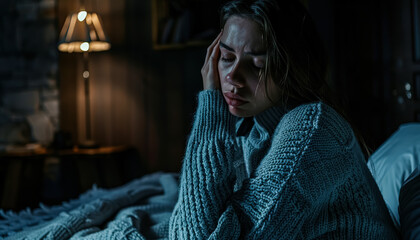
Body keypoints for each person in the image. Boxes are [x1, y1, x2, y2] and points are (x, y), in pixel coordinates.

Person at [168, 0, 399, 239]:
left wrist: (210, 106)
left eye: (258, 65)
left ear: (291, 67)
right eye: (226, 57)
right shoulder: (251, 130)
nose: (232, 77)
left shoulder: (311, 129)